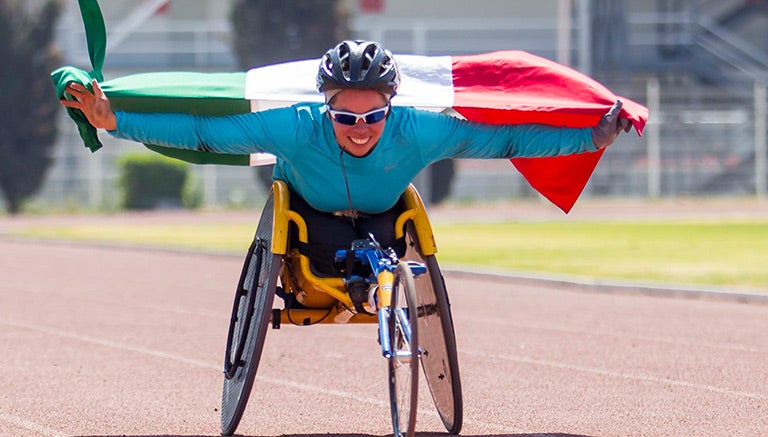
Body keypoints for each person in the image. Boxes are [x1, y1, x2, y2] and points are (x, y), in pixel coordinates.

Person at [61, 40, 631, 276]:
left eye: (372, 117)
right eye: (345, 117)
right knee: (329, 246)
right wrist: (118, 121)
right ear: (324, 106)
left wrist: (591, 138)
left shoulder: (422, 130)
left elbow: (505, 140)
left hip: (386, 222)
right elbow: (205, 132)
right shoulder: (293, 125)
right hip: (308, 222)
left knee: (390, 234)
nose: (360, 131)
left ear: (392, 106)